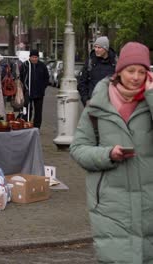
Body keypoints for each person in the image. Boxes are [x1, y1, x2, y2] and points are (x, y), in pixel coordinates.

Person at [70, 42, 153, 263]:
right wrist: (107, 155)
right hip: (110, 205)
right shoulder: (98, 105)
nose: (136, 77)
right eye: (131, 70)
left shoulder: (150, 102)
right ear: (119, 71)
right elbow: (78, 148)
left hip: (149, 202)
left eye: (142, 72)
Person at [77, 36, 117, 106]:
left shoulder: (115, 63)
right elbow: (82, 83)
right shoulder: (90, 62)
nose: (96, 50)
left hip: (111, 104)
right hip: (93, 103)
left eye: (99, 47)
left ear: (106, 49)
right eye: (95, 47)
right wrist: (85, 100)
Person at [19, 49, 49, 128]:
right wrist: (25, 88)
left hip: (39, 93)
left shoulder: (42, 66)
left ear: (38, 57)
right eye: (33, 57)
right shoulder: (25, 65)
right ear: (30, 57)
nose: (34, 59)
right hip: (28, 92)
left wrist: (43, 87)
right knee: (28, 109)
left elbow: (46, 78)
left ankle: (37, 127)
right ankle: (26, 124)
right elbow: (21, 77)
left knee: (38, 111)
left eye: (36, 57)